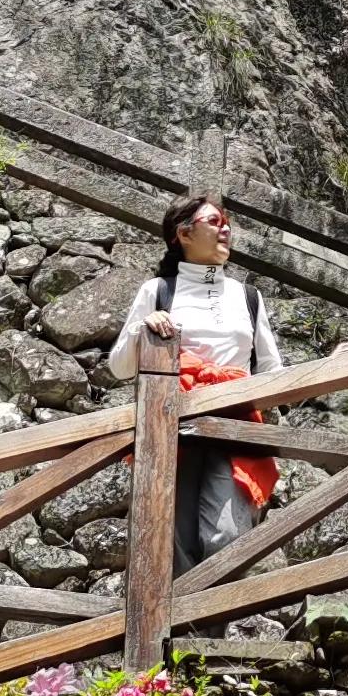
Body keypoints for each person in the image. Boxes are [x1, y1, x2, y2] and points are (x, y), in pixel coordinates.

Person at [107, 191, 284, 560]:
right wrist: (144, 328)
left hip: (236, 424)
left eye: (227, 223)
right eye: (214, 222)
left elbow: (271, 372)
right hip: (172, 425)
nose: (226, 230)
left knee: (229, 534)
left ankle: (213, 614)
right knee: (175, 541)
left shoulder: (248, 296)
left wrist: (328, 366)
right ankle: (192, 619)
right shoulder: (158, 291)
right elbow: (119, 367)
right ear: (183, 235)